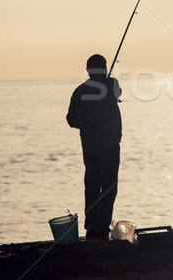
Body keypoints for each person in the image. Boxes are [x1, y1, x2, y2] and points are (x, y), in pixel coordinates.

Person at [66, 54, 122, 241]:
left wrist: (86, 124)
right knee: (108, 186)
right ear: (105, 69)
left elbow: (71, 120)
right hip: (110, 146)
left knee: (91, 184)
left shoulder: (79, 91)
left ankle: (91, 224)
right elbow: (118, 92)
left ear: (88, 71)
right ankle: (101, 227)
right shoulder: (111, 84)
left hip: (89, 147)